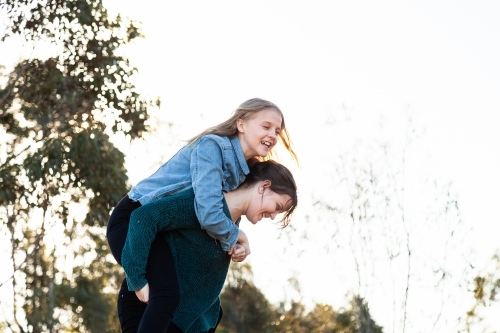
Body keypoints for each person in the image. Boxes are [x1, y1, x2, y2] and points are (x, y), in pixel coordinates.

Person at [106, 98, 298, 332]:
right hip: (133, 215)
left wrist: (237, 243)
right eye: (266, 126)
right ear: (241, 124)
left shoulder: (242, 171)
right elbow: (208, 211)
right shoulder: (213, 147)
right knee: (166, 294)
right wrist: (236, 237)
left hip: (156, 225)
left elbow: (225, 213)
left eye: (277, 131)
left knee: (171, 294)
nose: (273, 135)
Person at [120, 160, 298, 333]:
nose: (273, 216)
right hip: (147, 306)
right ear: (264, 186)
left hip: (184, 321)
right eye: (277, 207)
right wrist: (137, 280)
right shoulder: (204, 204)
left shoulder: (233, 223)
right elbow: (143, 217)